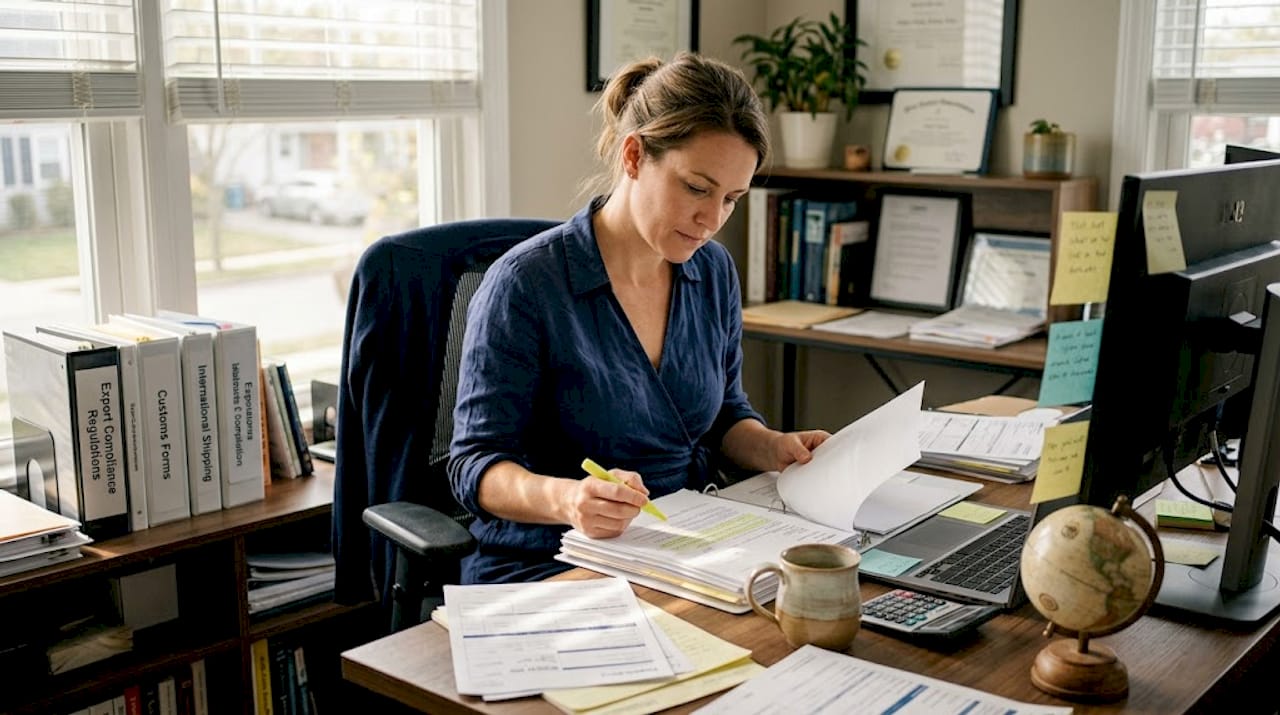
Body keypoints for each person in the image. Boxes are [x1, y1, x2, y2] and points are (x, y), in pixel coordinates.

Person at [447, 52, 831, 584]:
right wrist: (569, 500)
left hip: (685, 545)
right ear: (633, 156)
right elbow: (475, 466)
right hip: (554, 562)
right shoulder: (525, 285)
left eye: (732, 199)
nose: (712, 219)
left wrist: (772, 447)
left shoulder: (711, 270)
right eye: (697, 188)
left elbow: (722, 415)